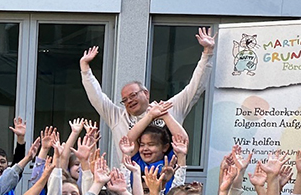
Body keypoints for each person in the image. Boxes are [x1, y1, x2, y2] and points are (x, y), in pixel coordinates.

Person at [79, 27, 215, 138]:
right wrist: (85, 68)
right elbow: (97, 97)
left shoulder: (168, 109)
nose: (129, 101)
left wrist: (207, 53)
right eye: (124, 100)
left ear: (146, 93)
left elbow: (195, 88)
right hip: (130, 171)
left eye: (133, 95)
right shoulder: (118, 118)